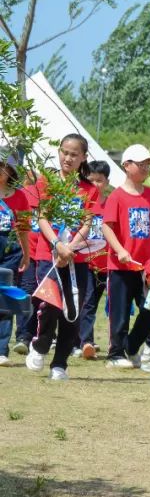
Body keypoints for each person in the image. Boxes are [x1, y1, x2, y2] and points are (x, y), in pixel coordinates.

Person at [25, 134, 99, 380]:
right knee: (50, 304)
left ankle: (60, 364)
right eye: (64, 152)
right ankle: (41, 344)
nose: (68, 158)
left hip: (76, 258)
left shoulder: (89, 190)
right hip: (50, 255)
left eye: (74, 154)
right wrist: (57, 244)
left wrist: (71, 248)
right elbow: (42, 218)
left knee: (72, 311)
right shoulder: (48, 182)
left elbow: (88, 223)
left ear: (83, 157)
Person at [101, 144, 150, 369]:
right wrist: (120, 249)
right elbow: (107, 227)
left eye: (148, 164)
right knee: (119, 312)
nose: (146, 168)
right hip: (121, 265)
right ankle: (115, 353)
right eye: (141, 164)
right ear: (127, 166)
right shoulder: (117, 197)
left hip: (147, 266)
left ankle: (132, 346)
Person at [0, 152, 33, 366]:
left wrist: (26, 254)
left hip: (10, 248)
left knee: (4, 297)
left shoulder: (19, 196)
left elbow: (23, 228)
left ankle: (1, 349)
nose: (2, 171)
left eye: (6, 167)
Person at [79, 160, 112, 358]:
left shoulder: (111, 205)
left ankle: (116, 344)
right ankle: (86, 342)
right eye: (92, 180)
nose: (96, 184)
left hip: (108, 264)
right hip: (88, 263)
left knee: (114, 306)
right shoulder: (84, 205)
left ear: (106, 182)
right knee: (88, 302)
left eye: (100, 180)